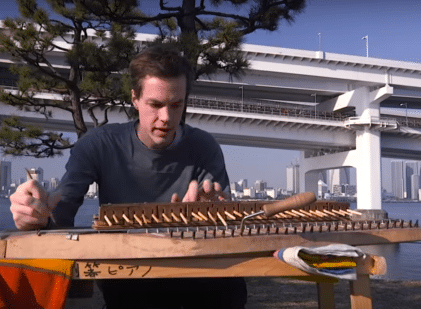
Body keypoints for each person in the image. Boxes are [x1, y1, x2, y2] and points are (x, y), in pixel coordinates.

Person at [9, 44, 247, 309]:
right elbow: (59, 215)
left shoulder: (204, 146)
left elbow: (228, 229)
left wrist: (215, 217)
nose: (166, 118)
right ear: (134, 98)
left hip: (191, 266)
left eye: (176, 105)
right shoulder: (100, 144)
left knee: (230, 289)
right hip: (127, 271)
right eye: (155, 104)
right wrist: (34, 216)